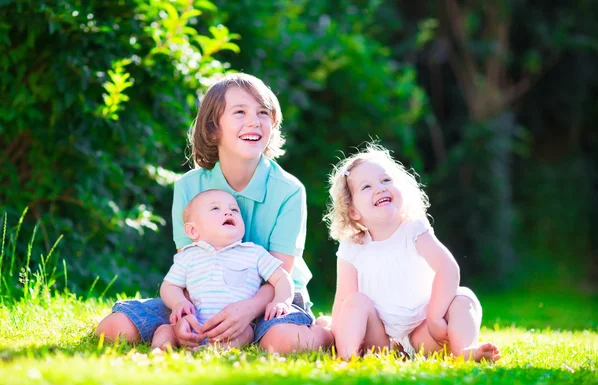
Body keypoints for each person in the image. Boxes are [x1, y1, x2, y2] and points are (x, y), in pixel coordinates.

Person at [96, 73, 333, 353]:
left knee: (280, 342)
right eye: (240, 112)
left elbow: (280, 275)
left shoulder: (289, 190)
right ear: (212, 128)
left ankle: (325, 332)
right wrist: (184, 316)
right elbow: (188, 266)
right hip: (204, 297)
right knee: (113, 329)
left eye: (262, 113)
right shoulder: (189, 186)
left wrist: (247, 310)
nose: (254, 121)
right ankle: (184, 331)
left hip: (272, 298)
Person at [323, 143, 500, 362]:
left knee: (464, 297)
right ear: (353, 211)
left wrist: (435, 317)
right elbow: (343, 300)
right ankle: (346, 357)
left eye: (386, 180)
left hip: (424, 333)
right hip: (381, 340)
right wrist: (337, 334)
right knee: (355, 301)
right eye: (366, 187)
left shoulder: (413, 229)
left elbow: (447, 268)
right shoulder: (352, 246)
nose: (380, 188)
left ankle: (462, 351)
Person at [152, 189, 294, 350]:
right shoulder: (189, 255)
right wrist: (179, 302)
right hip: (195, 323)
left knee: (247, 332)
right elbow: (169, 285)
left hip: (235, 326)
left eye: (234, 210)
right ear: (193, 230)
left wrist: (281, 301)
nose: (228, 212)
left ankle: (212, 350)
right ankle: (161, 350)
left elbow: (282, 278)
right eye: (215, 209)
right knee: (164, 329)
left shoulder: (254, 253)